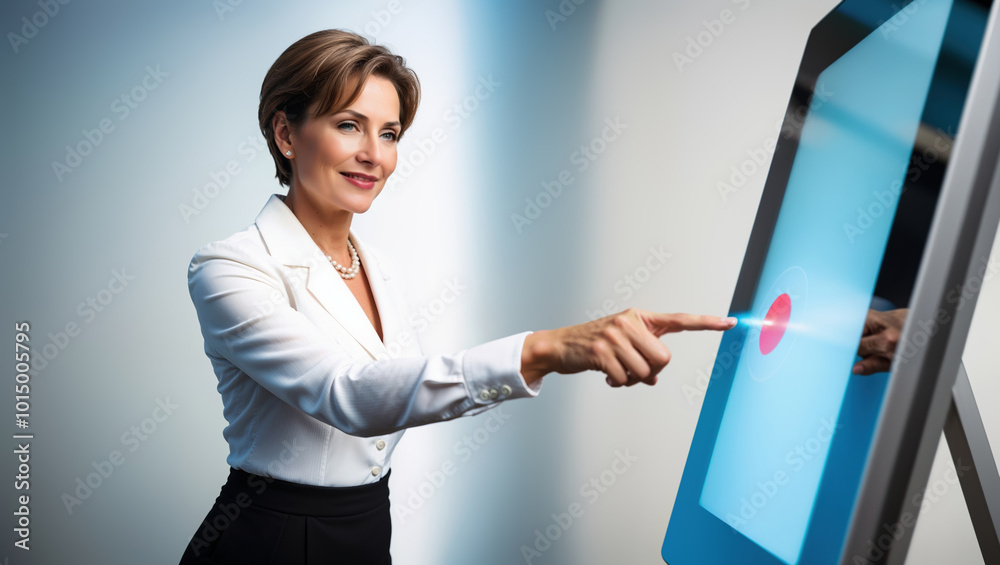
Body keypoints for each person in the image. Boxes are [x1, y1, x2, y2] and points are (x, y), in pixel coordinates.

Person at [178, 29, 737, 564]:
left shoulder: (381, 269)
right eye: (350, 125)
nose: (374, 154)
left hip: (368, 525)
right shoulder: (231, 267)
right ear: (285, 134)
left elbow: (406, 393)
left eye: (390, 133)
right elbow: (344, 395)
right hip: (272, 536)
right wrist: (546, 349)